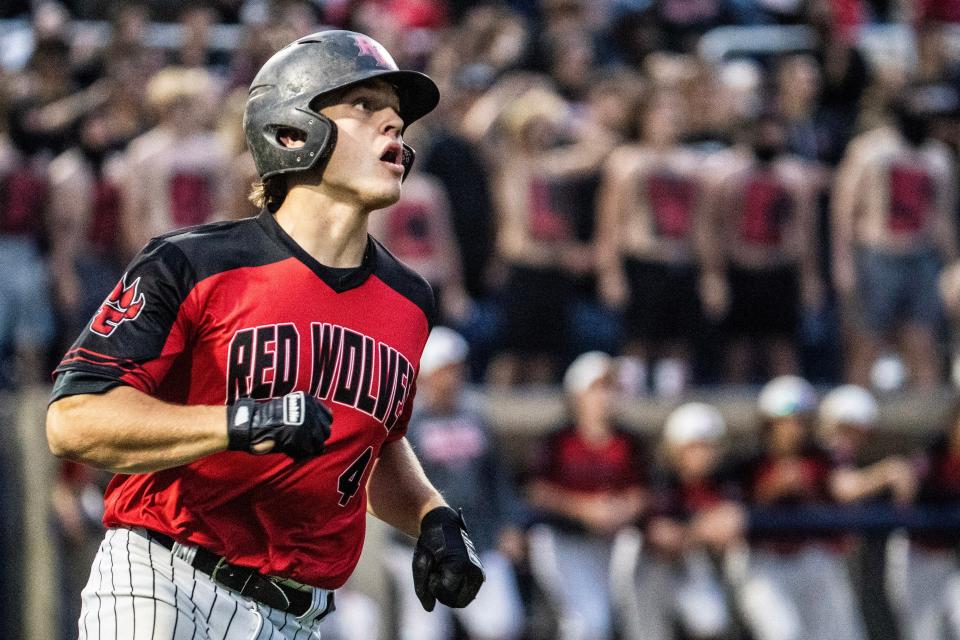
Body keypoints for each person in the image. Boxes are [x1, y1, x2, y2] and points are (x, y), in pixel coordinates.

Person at [45, 30, 484, 639]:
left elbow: (374, 443)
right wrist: (238, 422)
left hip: (298, 616)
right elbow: (73, 421)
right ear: (290, 132)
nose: (395, 125)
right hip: (163, 580)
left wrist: (433, 514)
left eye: (398, 117)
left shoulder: (409, 300)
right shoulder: (191, 263)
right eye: (364, 106)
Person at [385, 326, 525, 640]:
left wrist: (511, 524)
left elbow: (497, 479)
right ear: (427, 375)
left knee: (501, 625)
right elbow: (394, 492)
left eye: (456, 370)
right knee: (424, 632)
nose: (452, 379)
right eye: (445, 371)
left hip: (479, 538)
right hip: (421, 545)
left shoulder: (477, 418)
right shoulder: (405, 425)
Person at [832, 86, 958, 388]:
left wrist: (952, 262)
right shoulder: (868, 150)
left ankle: (922, 422)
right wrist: (844, 262)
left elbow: (941, 216)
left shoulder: (938, 158)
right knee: (867, 341)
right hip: (876, 254)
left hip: (922, 255)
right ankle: (858, 405)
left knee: (922, 341)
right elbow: (845, 208)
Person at [726, 375, 867, 640]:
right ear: (769, 424)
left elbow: (842, 495)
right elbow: (730, 518)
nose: (794, 429)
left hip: (811, 555)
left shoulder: (822, 460)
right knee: (784, 633)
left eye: (800, 421)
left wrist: (808, 491)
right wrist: (771, 489)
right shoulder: (749, 464)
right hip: (763, 561)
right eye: (785, 421)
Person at [525, 351, 648, 640]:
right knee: (588, 621)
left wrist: (620, 510)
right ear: (577, 395)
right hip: (563, 538)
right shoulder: (558, 439)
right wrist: (585, 508)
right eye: (597, 388)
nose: (605, 397)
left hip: (613, 541)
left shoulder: (628, 440)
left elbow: (642, 492)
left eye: (610, 388)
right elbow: (536, 491)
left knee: (608, 619)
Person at [622, 402, 739, 640]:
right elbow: (661, 536)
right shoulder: (659, 479)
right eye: (694, 447)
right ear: (676, 448)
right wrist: (700, 529)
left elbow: (729, 525)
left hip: (689, 566)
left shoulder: (721, 483)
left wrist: (688, 533)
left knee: (710, 622)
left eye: (708, 447)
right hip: (646, 569)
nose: (702, 455)